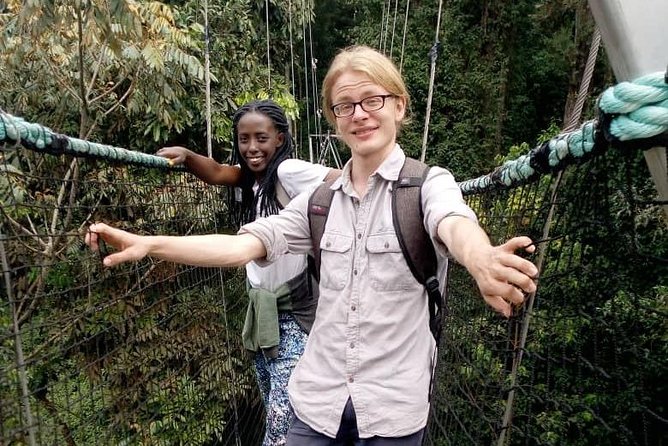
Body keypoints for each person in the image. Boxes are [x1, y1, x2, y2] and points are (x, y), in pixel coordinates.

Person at [86, 46, 538, 445]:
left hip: (393, 411)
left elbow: (454, 221)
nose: (360, 114)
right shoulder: (319, 202)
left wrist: (481, 259)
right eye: (345, 106)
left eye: (372, 100)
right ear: (334, 120)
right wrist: (150, 243)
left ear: (399, 106)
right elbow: (241, 247)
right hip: (316, 403)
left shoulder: (426, 185)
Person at [157, 99, 340, 446]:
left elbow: (342, 180)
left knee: (284, 420)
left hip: (295, 315)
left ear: (280, 140)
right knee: (275, 404)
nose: (252, 147)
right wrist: (188, 155)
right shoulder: (251, 180)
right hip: (262, 315)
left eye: (261, 138)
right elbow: (217, 172)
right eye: (244, 139)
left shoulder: (288, 172)